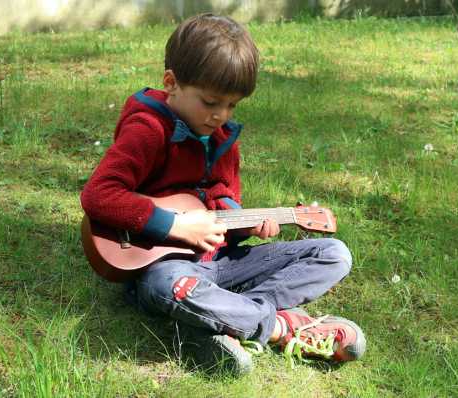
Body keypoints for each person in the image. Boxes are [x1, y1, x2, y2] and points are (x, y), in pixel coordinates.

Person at [80, 13, 365, 375]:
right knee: (173, 288)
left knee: (333, 254)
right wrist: (175, 226)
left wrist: (247, 225)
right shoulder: (147, 129)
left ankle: (218, 324)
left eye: (232, 105)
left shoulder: (223, 138)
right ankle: (280, 327)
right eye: (211, 102)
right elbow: (99, 195)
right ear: (172, 83)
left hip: (222, 264)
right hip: (164, 270)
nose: (220, 115)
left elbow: (223, 201)